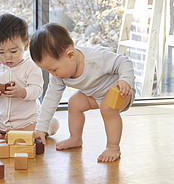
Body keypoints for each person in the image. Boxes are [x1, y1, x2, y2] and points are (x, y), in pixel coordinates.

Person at [29, 23, 135, 162]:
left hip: (120, 92)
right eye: (48, 71)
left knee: (107, 107)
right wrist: (41, 128)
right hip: (95, 95)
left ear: (71, 55)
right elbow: (50, 99)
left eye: (54, 70)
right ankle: (75, 138)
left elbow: (123, 62)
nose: (53, 75)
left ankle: (113, 147)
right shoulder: (59, 76)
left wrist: (125, 80)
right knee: (74, 103)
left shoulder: (96, 58)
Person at [0, 14, 59, 139]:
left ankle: (23, 132)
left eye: (14, 51)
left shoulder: (31, 66)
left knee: (53, 122)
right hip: (1, 120)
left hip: (28, 120)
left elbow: (37, 90)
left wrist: (22, 92)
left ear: (26, 46)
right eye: (0, 52)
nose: (7, 57)